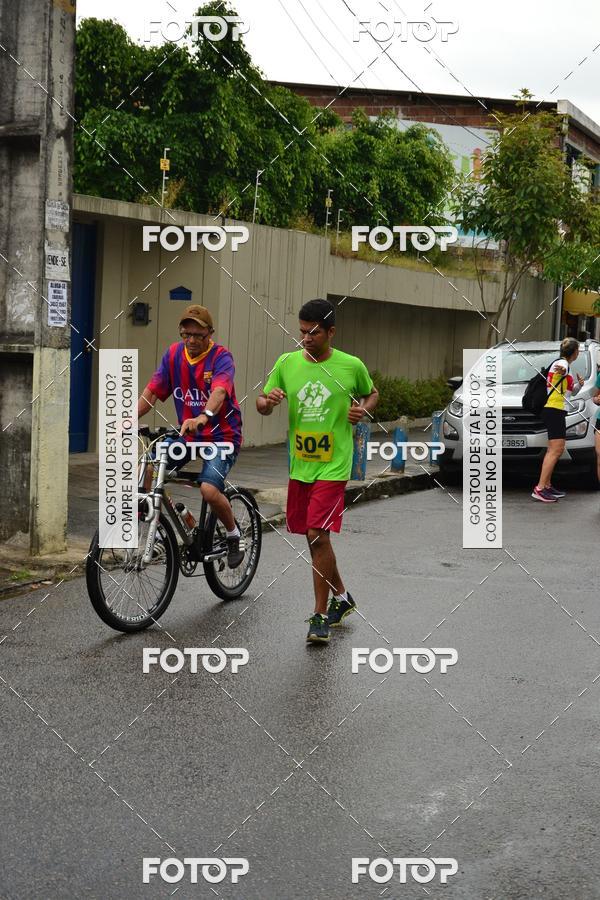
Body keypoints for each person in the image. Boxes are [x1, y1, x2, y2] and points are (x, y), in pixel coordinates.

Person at [256, 298, 379, 644]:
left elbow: (372, 394)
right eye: (301, 332)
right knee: (315, 540)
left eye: (313, 332)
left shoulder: (350, 365)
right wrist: (269, 402)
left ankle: (320, 616)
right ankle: (342, 597)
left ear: (330, 332)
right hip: (300, 465)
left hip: (333, 464)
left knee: (316, 533)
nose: (305, 339)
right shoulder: (287, 363)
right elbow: (261, 403)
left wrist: (363, 409)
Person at [136, 304, 244, 567]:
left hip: (221, 438)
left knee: (208, 489)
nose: (192, 340)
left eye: (199, 335)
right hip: (188, 436)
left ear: (210, 334)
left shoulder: (221, 357)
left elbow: (219, 392)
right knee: (146, 471)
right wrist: (127, 419)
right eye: (187, 334)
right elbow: (152, 392)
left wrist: (203, 416)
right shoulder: (173, 355)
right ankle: (173, 523)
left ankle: (233, 534)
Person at [532, 337, 583, 503]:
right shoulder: (561, 364)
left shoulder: (565, 366)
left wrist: (579, 385)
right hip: (553, 410)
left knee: (553, 449)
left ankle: (546, 486)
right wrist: (561, 369)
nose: (579, 352)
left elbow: (569, 393)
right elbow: (557, 371)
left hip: (557, 410)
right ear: (574, 352)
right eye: (578, 350)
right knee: (556, 449)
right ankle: (539, 489)